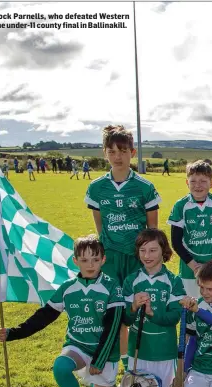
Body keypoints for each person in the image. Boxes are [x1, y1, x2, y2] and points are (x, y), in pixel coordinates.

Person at [0, 235, 125, 387]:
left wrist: (99, 360)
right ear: (75, 261)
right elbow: (43, 317)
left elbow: (113, 326)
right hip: (78, 346)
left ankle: (95, 381)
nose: (90, 264)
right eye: (84, 260)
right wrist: (13, 333)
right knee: (60, 367)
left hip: (104, 351)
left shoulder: (112, 286)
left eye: (95, 259)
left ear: (103, 259)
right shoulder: (67, 288)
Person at [84, 124, 161, 372]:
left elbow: (153, 231)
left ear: (133, 152)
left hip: (138, 259)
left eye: (123, 150)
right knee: (113, 312)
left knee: (137, 309)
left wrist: (149, 257)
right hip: (111, 259)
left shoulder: (144, 187)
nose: (118, 156)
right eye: (112, 151)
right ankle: (113, 362)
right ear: (104, 153)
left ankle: (134, 365)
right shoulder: (96, 187)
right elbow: (100, 226)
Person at [123, 229, 185, 387]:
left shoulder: (174, 281)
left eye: (152, 250)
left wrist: (151, 313)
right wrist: (133, 307)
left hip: (163, 350)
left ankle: (179, 384)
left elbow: (174, 318)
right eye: (142, 251)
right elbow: (126, 320)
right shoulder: (131, 280)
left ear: (163, 251)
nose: (146, 255)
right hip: (139, 349)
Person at [167, 159, 212, 298]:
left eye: (203, 181)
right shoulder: (180, 206)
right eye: (193, 181)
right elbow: (176, 242)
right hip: (189, 268)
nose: (198, 185)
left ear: (211, 183)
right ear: (187, 183)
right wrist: (195, 267)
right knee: (192, 306)